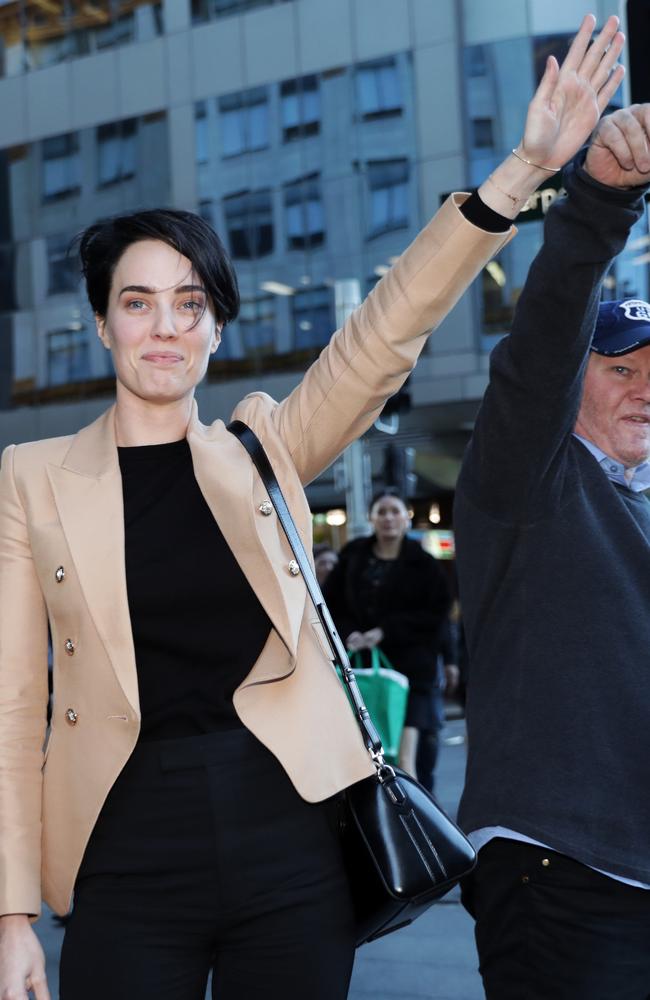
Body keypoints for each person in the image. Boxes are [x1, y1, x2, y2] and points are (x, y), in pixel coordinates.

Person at [0, 14, 625, 1000]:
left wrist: (518, 172)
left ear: (216, 327)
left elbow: (384, 331)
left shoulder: (261, 448)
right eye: (137, 300)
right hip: (123, 850)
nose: (164, 324)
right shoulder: (29, 477)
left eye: (189, 303)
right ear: (99, 322)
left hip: (287, 845)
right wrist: (11, 915)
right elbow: (9, 705)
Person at [454, 68, 650, 1000]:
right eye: (620, 368)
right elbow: (542, 343)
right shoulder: (528, 473)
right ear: (578, 379)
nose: (645, 386)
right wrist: (601, 201)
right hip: (561, 870)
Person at [324, 488, 450, 778]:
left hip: (411, 675)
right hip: (363, 670)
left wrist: (385, 631)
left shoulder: (425, 564)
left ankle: (416, 820)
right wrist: (350, 633)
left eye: (395, 511)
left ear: (406, 518)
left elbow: (436, 615)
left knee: (407, 761)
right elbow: (329, 604)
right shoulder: (353, 556)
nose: (388, 518)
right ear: (371, 518)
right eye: (381, 511)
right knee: (367, 760)